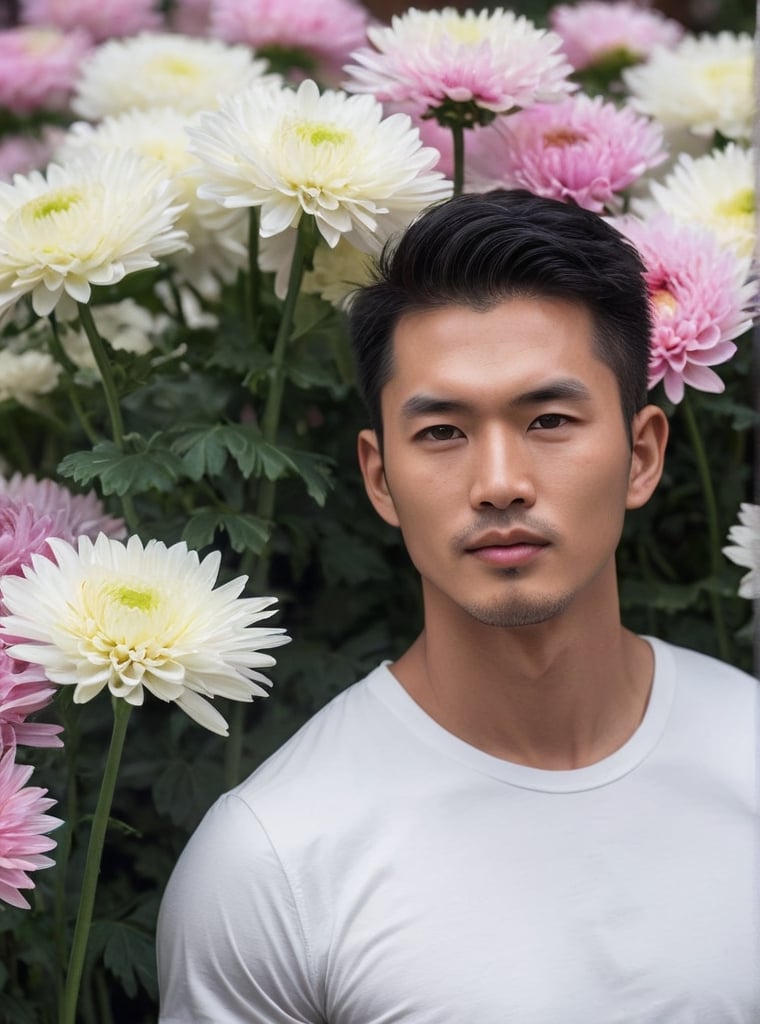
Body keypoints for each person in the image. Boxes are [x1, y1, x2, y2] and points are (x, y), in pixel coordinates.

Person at [156, 190, 759, 1022]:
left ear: (643, 455)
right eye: (442, 432)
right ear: (379, 478)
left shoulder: (749, 751)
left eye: (549, 418)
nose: (500, 484)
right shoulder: (273, 860)